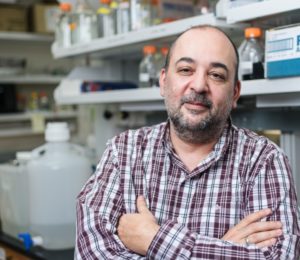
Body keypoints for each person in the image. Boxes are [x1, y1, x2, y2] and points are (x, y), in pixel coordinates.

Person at [75, 25, 300, 259]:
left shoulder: (264, 160)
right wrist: (222, 248)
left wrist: (153, 239)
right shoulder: (123, 152)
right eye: (185, 69)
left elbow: (281, 256)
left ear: (234, 93)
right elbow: (91, 253)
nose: (199, 85)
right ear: (163, 82)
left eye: (216, 75)